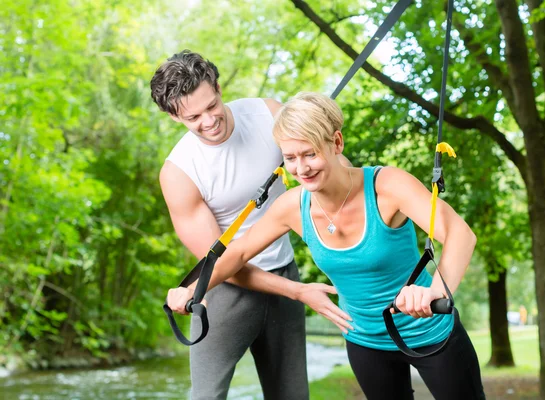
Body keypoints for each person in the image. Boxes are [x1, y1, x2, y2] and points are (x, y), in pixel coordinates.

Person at [168, 91, 486, 399]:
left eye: (310, 154)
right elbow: (237, 251)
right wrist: (193, 288)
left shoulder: (387, 187)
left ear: (336, 143)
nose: (301, 168)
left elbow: (460, 234)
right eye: (290, 157)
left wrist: (437, 291)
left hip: (429, 333)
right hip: (365, 343)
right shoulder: (293, 207)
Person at [151, 52, 352, 400]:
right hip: (228, 288)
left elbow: (335, 171)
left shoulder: (267, 114)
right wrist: (298, 293)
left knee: (292, 395)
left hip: (286, 272)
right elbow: (223, 263)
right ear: (172, 115)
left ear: (217, 86)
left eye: (212, 105)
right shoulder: (179, 173)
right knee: (207, 396)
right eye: (193, 117)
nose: (210, 121)